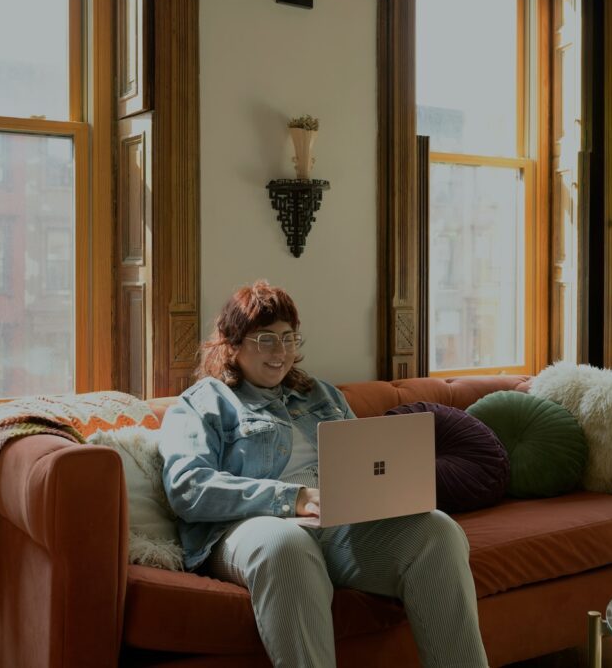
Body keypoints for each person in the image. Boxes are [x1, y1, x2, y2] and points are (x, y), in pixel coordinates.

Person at [159, 280, 488, 668]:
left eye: (288, 338)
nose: (281, 352)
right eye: (266, 339)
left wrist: (384, 495)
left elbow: (362, 461)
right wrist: (293, 498)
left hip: (334, 519)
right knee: (286, 545)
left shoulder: (322, 395)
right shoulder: (202, 404)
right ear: (232, 345)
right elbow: (188, 487)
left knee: (437, 530)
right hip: (248, 524)